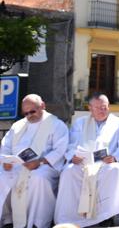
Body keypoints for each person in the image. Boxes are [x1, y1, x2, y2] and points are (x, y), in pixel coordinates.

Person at [54, 93, 119, 227]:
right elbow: (71, 144)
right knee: (68, 171)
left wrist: (114, 157)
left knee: (114, 170)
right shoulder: (80, 123)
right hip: (83, 163)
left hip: (106, 163)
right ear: (90, 108)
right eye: (98, 108)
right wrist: (73, 156)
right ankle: (71, 217)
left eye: (104, 107)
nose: (102, 110)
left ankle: (106, 215)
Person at [0, 94, 69, 228]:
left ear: (42, 106)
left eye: (32, 111)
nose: (29, 115)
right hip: (17, 165)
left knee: (38, 178)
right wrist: (6, 160)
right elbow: (6, 146)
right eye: (26, 113)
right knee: (2, 176)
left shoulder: (57, 125)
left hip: (44, 165)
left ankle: (36, 222)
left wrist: (39, 162)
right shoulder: (18, 125)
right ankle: (7, 219)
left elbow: (60, 150)